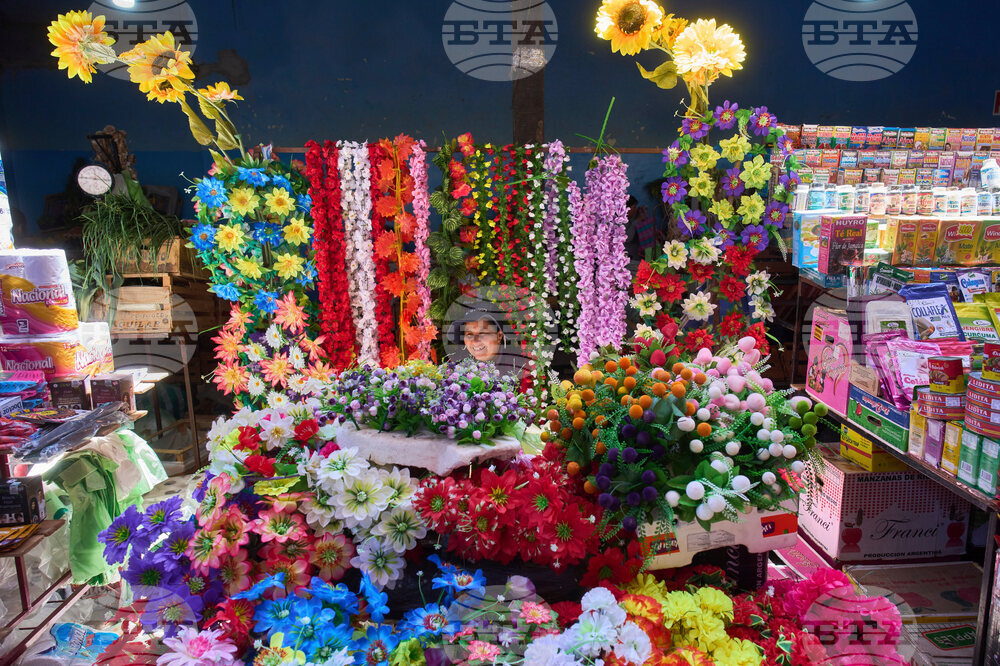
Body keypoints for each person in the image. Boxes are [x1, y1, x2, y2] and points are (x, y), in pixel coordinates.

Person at [447, 309, 526, 380]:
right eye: (469, 334)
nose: (475, 341)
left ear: (499, 336)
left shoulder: (521, 369)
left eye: (482, 333)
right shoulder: (455, 368)